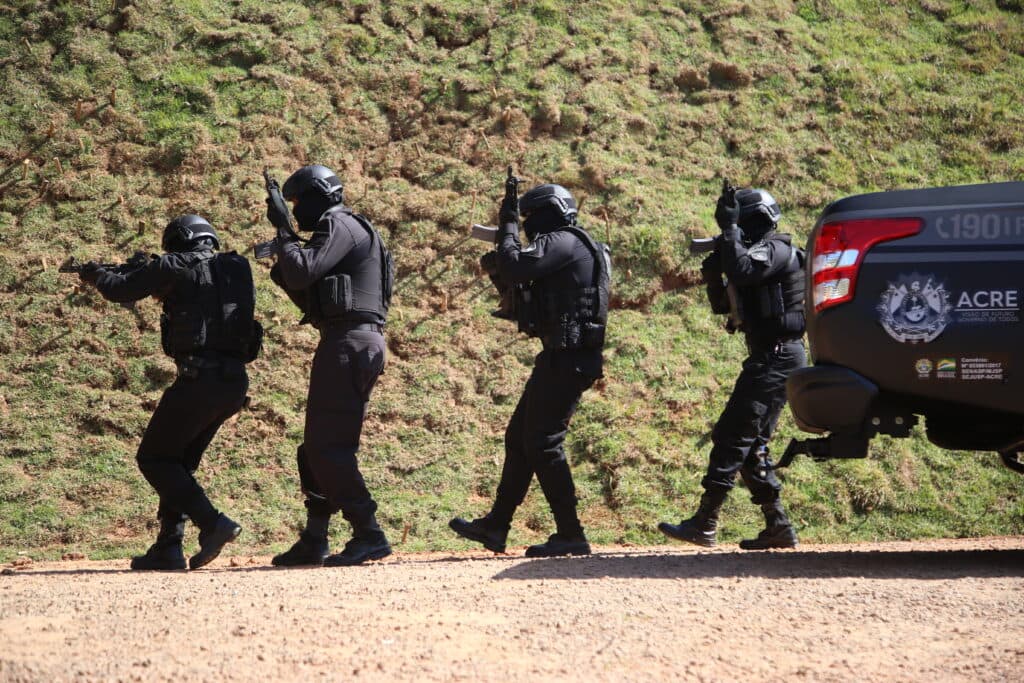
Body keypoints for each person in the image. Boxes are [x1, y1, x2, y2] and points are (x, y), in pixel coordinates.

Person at [79, 215, 262, 570]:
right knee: (178, 463)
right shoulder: (236, 267)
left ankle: (213, 523)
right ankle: (169, 545)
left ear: (179, 240)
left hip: (200, 380)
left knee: (155, 458)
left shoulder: (174, 264)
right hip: (234, 383)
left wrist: (96, 274)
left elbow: (121, 290)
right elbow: (201, 295)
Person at [449, 181, 610, 557]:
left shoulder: (565, 241)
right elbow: (525, 291)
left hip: (569, 358)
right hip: (561, 356)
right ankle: (497, 525)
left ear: (549, 213)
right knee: (520, 438)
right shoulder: (571, 245)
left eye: (529, 217)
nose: (527, 225)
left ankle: (571, 533)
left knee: (542, 441)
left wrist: (507, 223)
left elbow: (515, 266)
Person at [659, 184, 806, 550]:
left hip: (776, 356)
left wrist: (728, 232)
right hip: (772, 356)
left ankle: (705, 522)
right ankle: (778, 525)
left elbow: (742, 269)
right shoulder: (758, 253)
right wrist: (714, 274)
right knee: (751, 443)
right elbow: (725, 306)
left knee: (731, 436)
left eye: (742, 222)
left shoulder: (777, 249)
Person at [268, 164, 394, 568]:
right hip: (349, 340)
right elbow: (304, 286)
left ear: (319, 196)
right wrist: (283, 261)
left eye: (297, 202)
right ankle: (315, 537)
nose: (295, 209)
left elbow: (302, 271)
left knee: (328, 447)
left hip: (349, 342)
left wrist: (285, 232)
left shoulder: (338, 224)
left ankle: (369, 533)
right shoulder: (347, 228)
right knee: (315, 449)